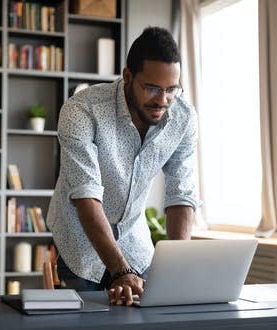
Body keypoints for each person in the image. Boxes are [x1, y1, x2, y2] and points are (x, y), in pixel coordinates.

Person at [46, 26, 201, 306]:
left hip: (135, 240)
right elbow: (86, 195)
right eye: (152, 88)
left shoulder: (184, 118)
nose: (163, 100)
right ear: (128, 76)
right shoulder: (82, 110)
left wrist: (178, 270)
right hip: (79, 242)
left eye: (171, 90)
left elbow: (181, 194)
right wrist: (121, 271)